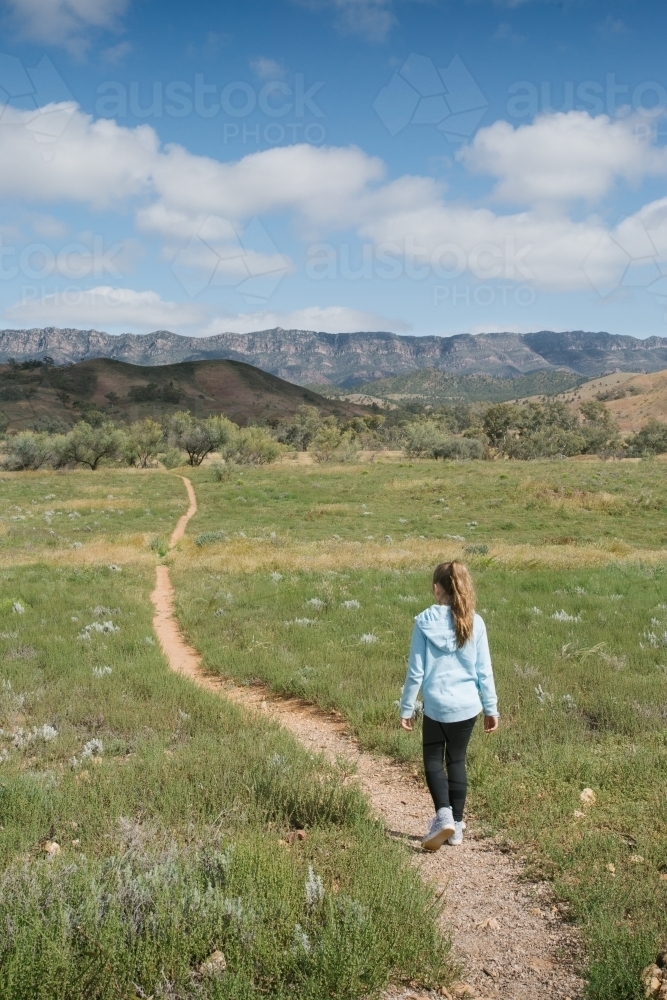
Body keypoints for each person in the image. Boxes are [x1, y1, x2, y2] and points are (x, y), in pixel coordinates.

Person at [399, 561, 499, 851]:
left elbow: (415, 671)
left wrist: (407, 707)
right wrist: (491, 708)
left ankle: (443, 815)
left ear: (436, 588)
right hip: (467, 707)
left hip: (436, 707)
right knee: (456, 760)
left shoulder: (423, 622)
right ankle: (456, 826)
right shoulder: (475, 622)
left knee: (433, 759)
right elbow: (485, 671)